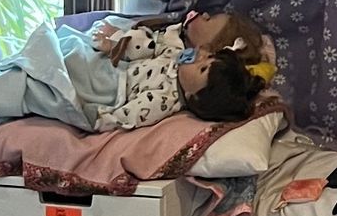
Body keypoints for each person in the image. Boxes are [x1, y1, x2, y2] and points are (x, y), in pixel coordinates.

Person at [83, 9, 273, 129]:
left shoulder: (165, 99)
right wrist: (118, 42)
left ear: (193, 96)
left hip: (112, 85)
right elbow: (153, 45)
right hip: (112, 64)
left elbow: (133, 113)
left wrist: (100, 119)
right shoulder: (175, 52)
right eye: (207, 59)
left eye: (202, 69)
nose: (205, 14)